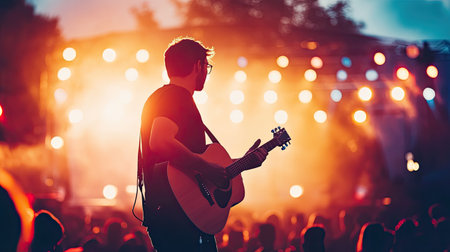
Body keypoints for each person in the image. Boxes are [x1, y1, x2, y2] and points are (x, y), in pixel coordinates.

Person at [138, 37, 268, 251]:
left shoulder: (161, 97)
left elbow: (187, 167)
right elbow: (160, 141)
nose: (206, 73)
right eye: (207, 67)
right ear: (199, 65)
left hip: (174, 215)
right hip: (179, 218)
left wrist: (243, 162)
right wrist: (207, 167)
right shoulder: (176, 97)